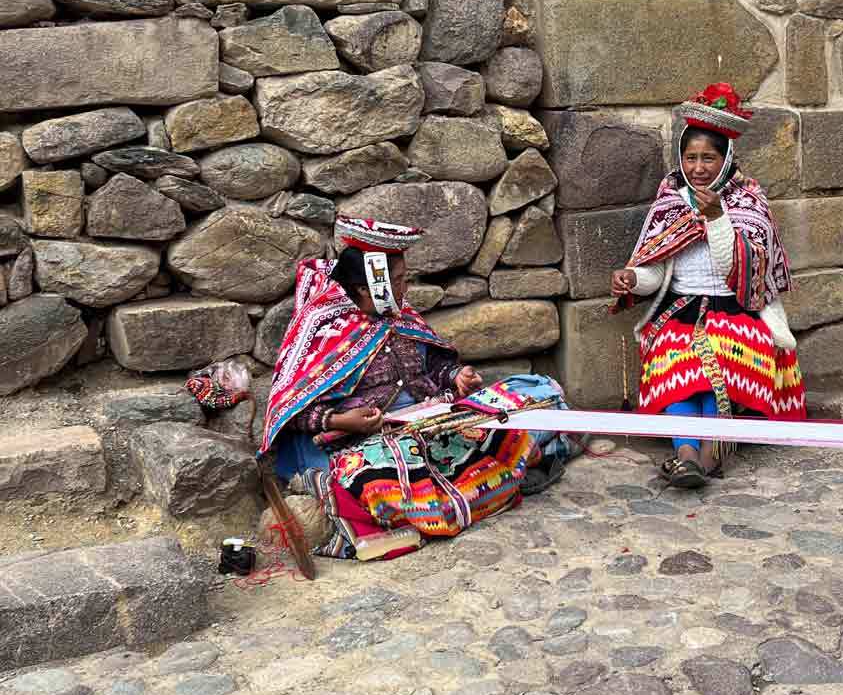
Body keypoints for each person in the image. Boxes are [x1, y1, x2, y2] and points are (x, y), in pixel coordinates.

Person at [261, 216, 572, 560]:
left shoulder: (400, 316)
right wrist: (340, 421)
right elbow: (290, 409)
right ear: (367, 288)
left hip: (434, 416)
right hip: (371, 439)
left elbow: (434, 366)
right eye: (398, 280)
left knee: (536, 393)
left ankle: (491, 464)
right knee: (375, 478)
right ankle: (483, 477)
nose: (406, 287)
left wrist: (455, 377)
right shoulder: (323, 329)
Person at [611, 83, 805, 488]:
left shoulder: (749, 202)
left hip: (738, 311)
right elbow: (655, 272)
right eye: (691, 158)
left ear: (727, 159)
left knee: (717, 358)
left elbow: (743, 272)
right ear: (681, 160)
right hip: (680, 311)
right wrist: (633, 278)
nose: (698, 167)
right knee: (678, 359)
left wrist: (716, 217)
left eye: (708, 158)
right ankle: (687, 454)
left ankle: (709, 454)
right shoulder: (670, 201)